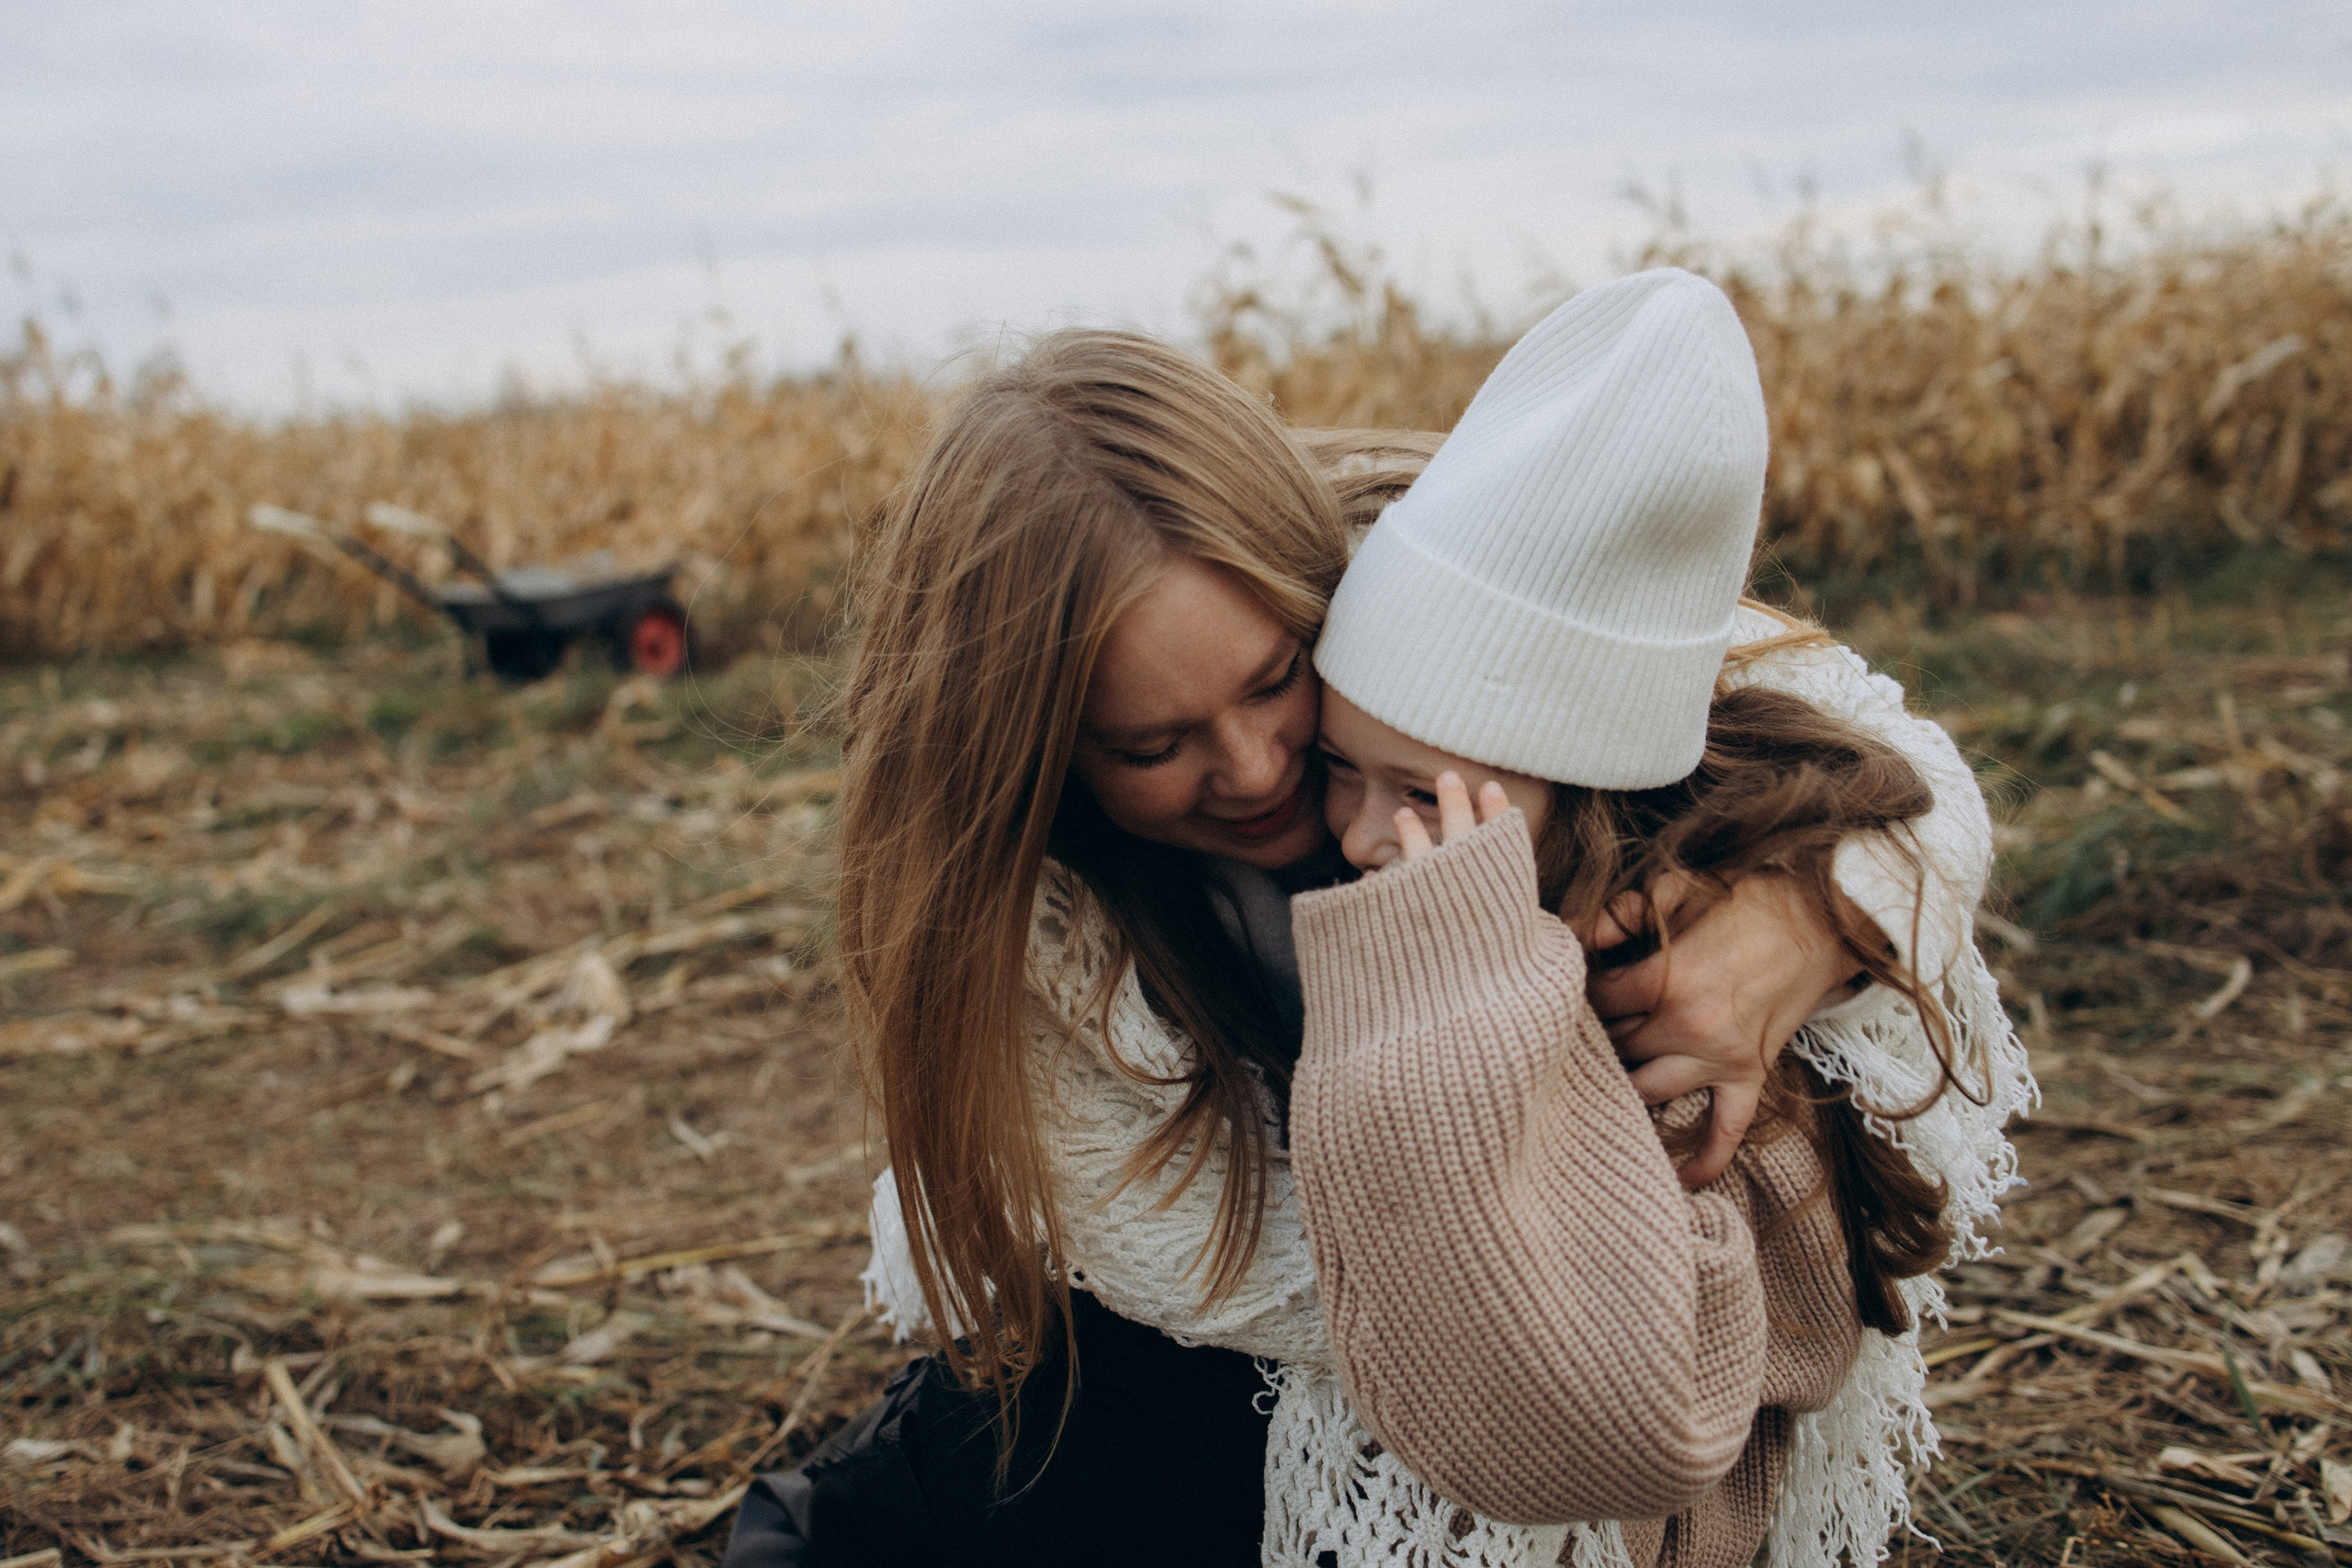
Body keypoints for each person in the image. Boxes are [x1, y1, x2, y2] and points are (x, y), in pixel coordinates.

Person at [720, 288, 2030, 1566]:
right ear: (1043, 758)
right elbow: (1306, 1294)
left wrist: (1804, 920)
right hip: (1248, 1313)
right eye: (1152, 746)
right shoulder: (1023, 932)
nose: (1255, 772)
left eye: (1277, 678)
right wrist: (1510, 1161)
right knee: (1067, 1466)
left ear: (1314, 589)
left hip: (1534, 1294)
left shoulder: (1456, 570)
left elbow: (1889, 759)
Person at [1283, 266, 2019, 1567]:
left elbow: (1594, 1403)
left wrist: (1430, 982)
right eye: (1341, 767)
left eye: (1417, 792)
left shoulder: (1662, 998)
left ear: (1582, 788)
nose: (1354, 834)